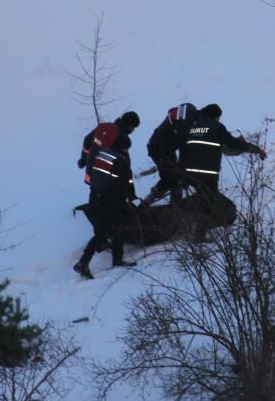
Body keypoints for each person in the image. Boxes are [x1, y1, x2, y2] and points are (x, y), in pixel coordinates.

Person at [179, 104, 266, 225]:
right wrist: (256, 150)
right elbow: (233, 143)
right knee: (219, 206)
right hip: (207, 175)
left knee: (204, 198)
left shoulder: (193, 128)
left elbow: (184, 149)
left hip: (189, 173)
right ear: (215, 116)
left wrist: (182, 172)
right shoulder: (216, 127)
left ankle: (189, 219)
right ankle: (199, 231)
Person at [74, 133, 138, 279]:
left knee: (101, 233)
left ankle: (83, 262)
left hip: (95, 198)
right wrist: (131, 196)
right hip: (111, 200)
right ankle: (117, 259)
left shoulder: (102, 154)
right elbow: (127, 182)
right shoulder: (120, 161)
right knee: (120, 227)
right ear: (123, 148)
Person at [142, 103, 198, 207]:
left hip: (164, 148)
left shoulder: (184, 117)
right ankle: (148, 202)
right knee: (171, 178)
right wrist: (183, 168)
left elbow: (186, 145)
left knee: (176, 177)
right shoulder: (186, 121)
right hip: (159, 149)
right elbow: (184, 145)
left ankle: (174, 204)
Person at [77, 111, 140, 186]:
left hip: (93, 173)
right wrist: (129, 185)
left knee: (96, 194)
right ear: (128, 125)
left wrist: (84, 158)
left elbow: (87, 140)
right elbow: (125, 162)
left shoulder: (103, 127)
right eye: (133, 127)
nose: (133, 130)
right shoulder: (124, 139)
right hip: (110, 178)